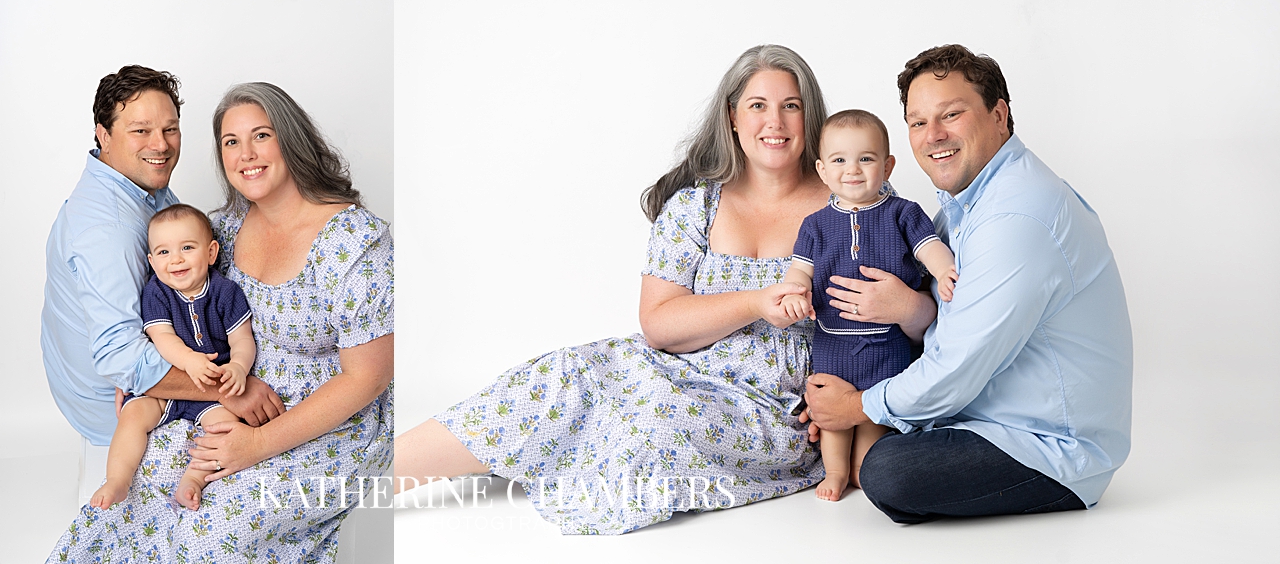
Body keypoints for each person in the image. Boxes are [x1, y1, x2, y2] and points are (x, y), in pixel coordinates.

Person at [395, 45, 931, 535]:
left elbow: (907, 321)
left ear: (811, 118)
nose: (775, 121)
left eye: (791, 106)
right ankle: (370, 470)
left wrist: (857, 398)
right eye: (758, 105)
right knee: (561, 377)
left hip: (774, 401)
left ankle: (543, 457)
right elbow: (658, 325)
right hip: (674, 365)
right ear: (732, 117)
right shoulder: (696, 206)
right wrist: (753, 302)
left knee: (655, 424)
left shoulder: (860, 205)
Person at [48, 82, 394, 563]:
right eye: (231, 142)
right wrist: (146, 379)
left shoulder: (355, 243)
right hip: (233, 396)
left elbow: (370, 376)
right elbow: (173, 315)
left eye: (261, 136)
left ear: (291, 140)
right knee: (141, 491)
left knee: (209, 531)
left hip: (327, 420)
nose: (246, 154)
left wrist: (256, 444)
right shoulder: (222, 230)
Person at [799, 44, 1132, 523]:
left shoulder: (1017, 216)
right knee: (861, 436)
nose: (933, 135)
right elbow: (935, 324)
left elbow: (956, 369)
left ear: (999, 115)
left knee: (888, 473)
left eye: (951, 114)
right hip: (983, 414)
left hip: (1050, 449)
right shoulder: (966, 205)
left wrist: (855, 406)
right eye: (917, 123)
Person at [41, 66, 284, 503]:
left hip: (146, 364)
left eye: (170, 129)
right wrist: (236, 391)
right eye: (141, 130)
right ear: (103, 134)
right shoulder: (107, 230)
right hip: (116, 404)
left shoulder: (140, 187)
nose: (161, 145)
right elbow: (120, 358)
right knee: (260, 469)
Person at [780, 109, 956, 501]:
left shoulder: (904, 213)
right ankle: (836, 472)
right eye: (840, 160)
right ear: (823, 171)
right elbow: (799, 272)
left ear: (888, 165)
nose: (853, 170)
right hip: (834, 344)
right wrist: (794, 293)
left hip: (888, 347)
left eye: (866, 158)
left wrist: (944, 271)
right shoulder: (815, 225)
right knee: (832, 416)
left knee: (872, 417)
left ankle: (863, 468)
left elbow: (930, 248)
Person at [90, 204, 255, 511]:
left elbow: (242, 338)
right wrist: (190, 361)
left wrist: (238, 367)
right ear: (152, 261)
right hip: (167, 384)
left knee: (226, 425)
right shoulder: (156, 293)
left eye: (187, 248)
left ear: (211, 252)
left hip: (212, 389)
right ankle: (117, 479)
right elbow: (163, 338)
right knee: (133, 417)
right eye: (163, 253)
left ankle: (193, 479)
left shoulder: (225, 291)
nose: (175, 259)